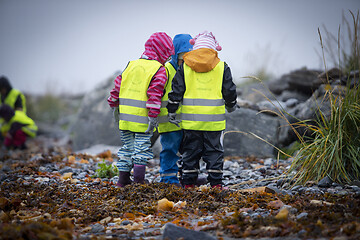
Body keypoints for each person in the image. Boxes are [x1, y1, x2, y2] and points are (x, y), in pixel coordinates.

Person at [167, 31, 238, 189]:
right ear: (214, 49)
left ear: (195, 47)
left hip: (191, 122)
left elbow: (176, 90)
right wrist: (231, 105)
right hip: (214, 122)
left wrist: (172, 109)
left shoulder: (185, 66)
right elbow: (229, 90)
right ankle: (216, 184)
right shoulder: (222, 67)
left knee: (190, 152)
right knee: (214, 152)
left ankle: (188, 184)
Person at [108, 32, 174, 187]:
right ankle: (139, 181)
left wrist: (113, 104)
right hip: (143, 120)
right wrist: (153, 116)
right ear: (162, 51)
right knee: (141, 150)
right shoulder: (159, 69)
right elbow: (154, 94)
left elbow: (118, 86)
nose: (167, 58)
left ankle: (123, 180)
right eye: (167, 54)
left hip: (125, 118)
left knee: (127, 148)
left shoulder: (131, 64)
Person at [157, 34, 193, 186]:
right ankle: (168, 178)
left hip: (186, 121)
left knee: (189, 151)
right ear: (174, 54)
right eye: (182, 56)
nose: (185, 61)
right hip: (168, 122)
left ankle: (186, 177)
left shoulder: (191, 71)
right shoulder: (166, 70)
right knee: (169, 150)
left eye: (188, 57)